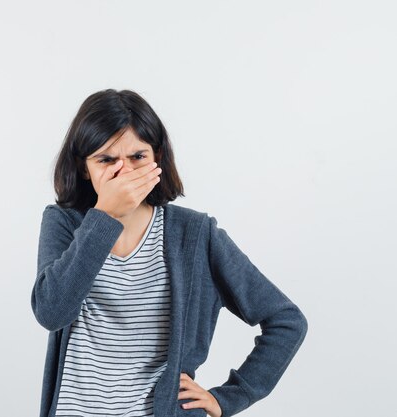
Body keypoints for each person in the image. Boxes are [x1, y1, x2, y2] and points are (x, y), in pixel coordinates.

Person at [31, 89, 308, 417]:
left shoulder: (195, 234)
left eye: (138, 157)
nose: (125, 172)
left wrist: (231, 396)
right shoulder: (65, 222)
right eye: (106, 160)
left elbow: (286, 320)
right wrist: (105, 217)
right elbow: (51, 312)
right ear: (84, 167)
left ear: (157, 158)